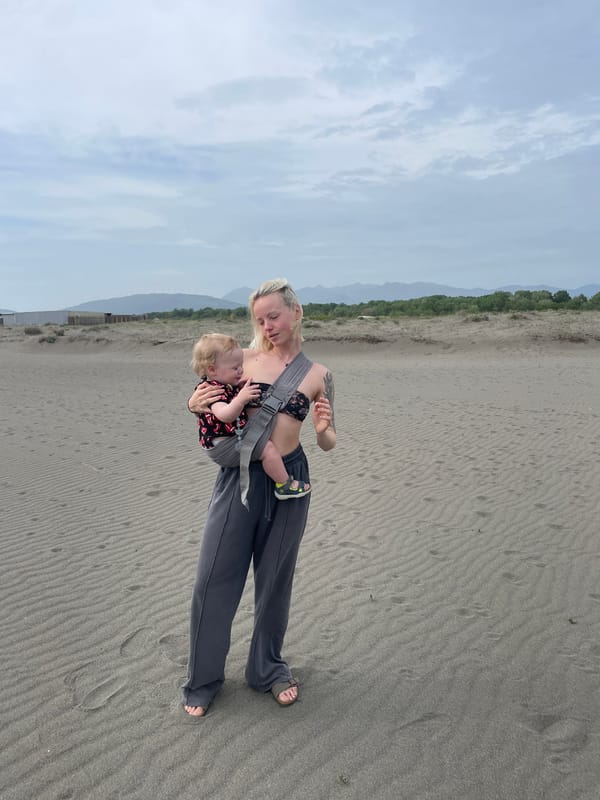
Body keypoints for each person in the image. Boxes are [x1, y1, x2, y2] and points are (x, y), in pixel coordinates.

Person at [182, 278, 336, 716]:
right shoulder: (242, 360)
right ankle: (203, 679)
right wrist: (193, 405)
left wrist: (325, 430)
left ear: (296, 311)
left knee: (275, 580)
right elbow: (203, 400)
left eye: (274, 315)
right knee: (213, 577)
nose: (267, 326)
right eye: (259, 319)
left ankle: (266, 669)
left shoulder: (319, 374)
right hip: (240, 478)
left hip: (291, 479)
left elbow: (328, 441)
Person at [190, 332, 311, 500]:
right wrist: (240, 399)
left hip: (227, 440)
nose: (240, 370)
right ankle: (284, 485)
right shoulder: (213, 390)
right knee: (267, 450)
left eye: (241, 366)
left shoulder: (224, 384)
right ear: (212, 369)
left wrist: (237, 389)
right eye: (235, 368)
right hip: (224, 446)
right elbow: (225, 415)